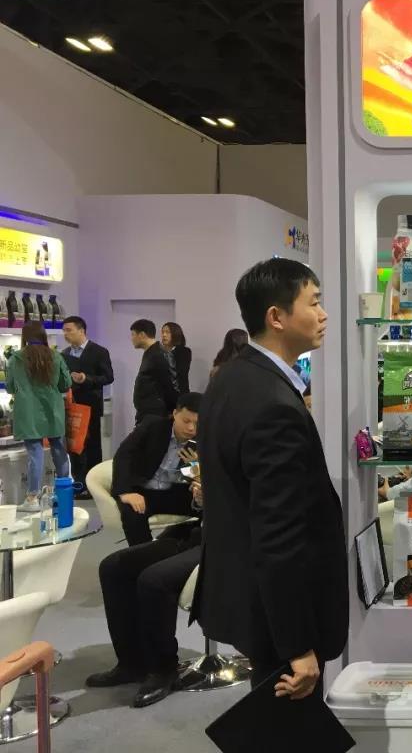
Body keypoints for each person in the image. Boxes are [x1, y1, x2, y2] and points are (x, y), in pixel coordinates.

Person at [192, 258, 347, 712]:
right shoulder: (272, 403)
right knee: (289, 727)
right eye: (313, 303)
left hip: (250, 595)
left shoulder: (233, 377)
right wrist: (297, 644)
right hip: (277, 613)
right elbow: (278, 533)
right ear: (276, 316)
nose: (323, 315)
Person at [86, 476, 203, 708]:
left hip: (227, 539)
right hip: (194, 532)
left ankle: (163, 669)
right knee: (113, 567)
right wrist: (200, 498)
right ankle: (132, 664)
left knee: (155, 580)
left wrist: (216, 494)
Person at [112, 392, 202, 546]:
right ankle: (144, 555)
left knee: (215, 509)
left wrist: (195, 467)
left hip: (175, 491)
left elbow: (196, 479)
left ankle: (176, 545)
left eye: (197, 423)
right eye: (186, 421)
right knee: (132, 514)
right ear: (175, 414)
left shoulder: (202, 440)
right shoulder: (153, 425)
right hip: (143, 489)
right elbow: (124, 454)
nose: (191, 428)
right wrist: (125, 492)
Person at [9, 322, 72, 511]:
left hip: (28, 413)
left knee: (35, 454)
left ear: (25, 336)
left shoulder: (16, 358)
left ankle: (32, 499)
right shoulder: (56, 356)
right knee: (59, 451)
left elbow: (10, 387)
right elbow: (65, 384)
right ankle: (63, 495)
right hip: (53, 410)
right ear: (44, 335)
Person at [60, 316, 114, 495]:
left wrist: (86, 379)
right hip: (71, 406)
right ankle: (78, 483)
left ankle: (93, 485)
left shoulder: (99, 351)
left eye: (69, 330)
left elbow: (108, 377)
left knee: (92, 446)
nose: (65, 334)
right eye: (64, 330)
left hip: (91, 406)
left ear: (81, 330)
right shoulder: (64, 354)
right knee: (74, 446)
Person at [130, 319, 179, 424]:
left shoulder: (158, 354)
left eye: (133, 334)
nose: (131, 338)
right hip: (148, 414)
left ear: (142, 335)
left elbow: (169, 385)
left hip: (156, 415)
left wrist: (171, 410)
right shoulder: (151, 353)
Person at [161, 322, 191, 395]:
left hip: (179, 394)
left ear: (175, 333)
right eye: (162, 332)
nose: (164, 335)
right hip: (161, 395)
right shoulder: (158, 352)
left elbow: (181, 372)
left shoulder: (184, 351)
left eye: (167, 332)